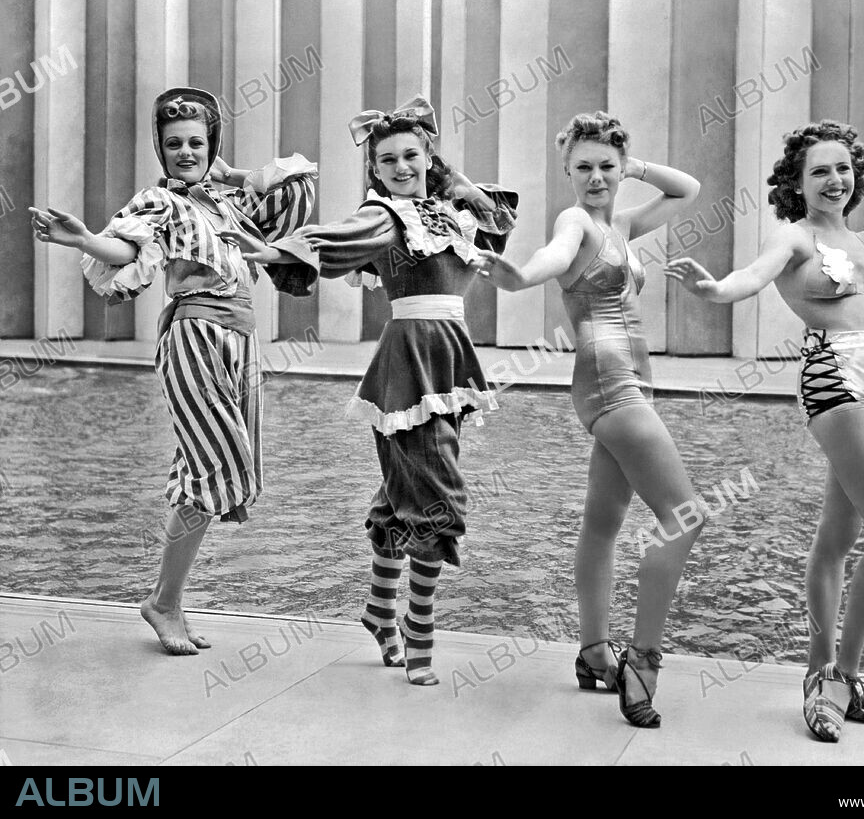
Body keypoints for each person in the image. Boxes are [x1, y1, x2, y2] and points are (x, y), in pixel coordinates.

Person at [666, 120, 864, 742]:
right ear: (797, 183)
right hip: (834, 382)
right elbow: (750, 278)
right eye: (819, 171)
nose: (834, 180)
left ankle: (822, 673)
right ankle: (841, 676)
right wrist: (713, 289)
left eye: (844, 168)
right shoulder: (796, 238)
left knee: (837, 535)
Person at [222, 96, 518, 687]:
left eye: (412, 154)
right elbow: (341, 237)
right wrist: (280, 250)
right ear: (375, 169)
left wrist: (451, 180)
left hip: (447, 361)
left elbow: (499, 222)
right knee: (438, 496)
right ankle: (418, 633)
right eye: (388, 160)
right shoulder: (386, 216)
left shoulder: (447, 210)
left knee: (403, 488)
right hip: (409, 364)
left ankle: (379, 611)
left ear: (429, 153)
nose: (402, 166)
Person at [31, 87, 317, 655]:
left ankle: (164, 600)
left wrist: (230, 173)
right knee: (219, 464)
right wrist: (84, 238)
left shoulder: (227, 204)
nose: (185, 152)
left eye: (197, 142)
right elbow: (124, 249)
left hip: (242, 344)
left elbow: (299, 186)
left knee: (209, 470)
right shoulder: (160, 203)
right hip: (195, 337)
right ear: (160, 151)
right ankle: (164, 602)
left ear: (212, 145)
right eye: (174, 144)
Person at [475, 112, 703, 728]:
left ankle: (594, 651)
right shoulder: (575, 221)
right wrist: (518, 276)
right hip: (609, 382)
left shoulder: (623, 223)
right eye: (584, 167)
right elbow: (553, 257)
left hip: (635, 379)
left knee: (603, 522)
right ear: (567, 171)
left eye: (608, 166)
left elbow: (688, 190)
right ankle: (643, 662)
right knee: (686, 517)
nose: (597, 176)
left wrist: (635, 164)